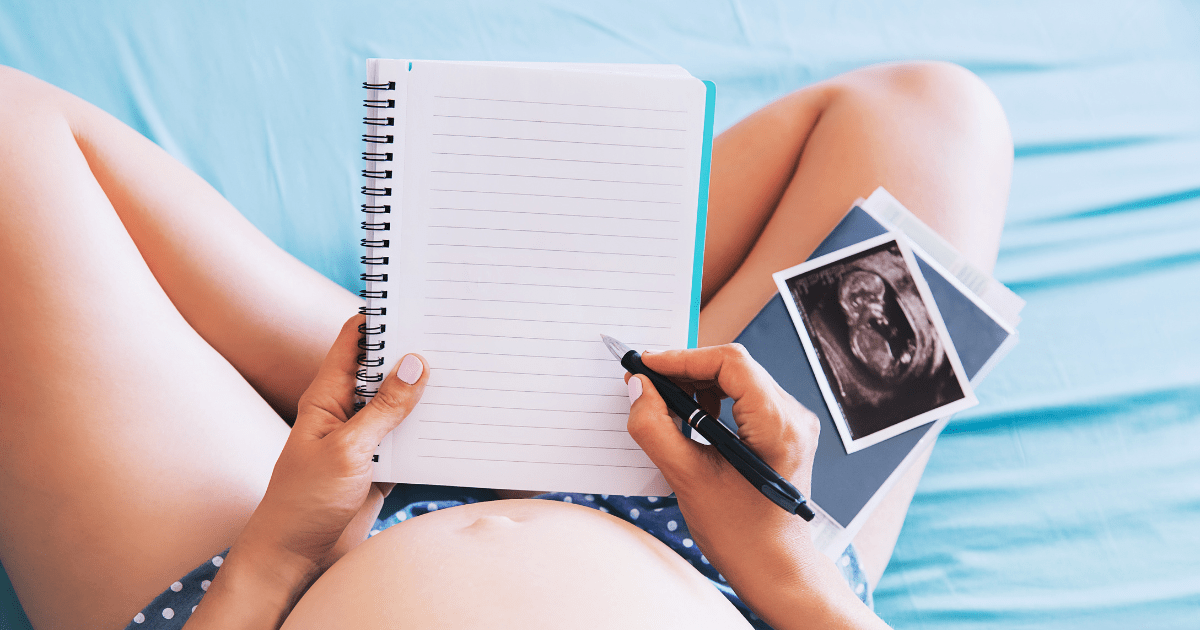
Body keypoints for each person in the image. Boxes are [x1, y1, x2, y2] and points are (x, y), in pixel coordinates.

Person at [0, 59, 1011, 630]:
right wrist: (780, 561)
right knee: (930, 114)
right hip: (720, 549)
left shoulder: (278, 557)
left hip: (276, 575)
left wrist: (277, 551)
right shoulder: (762, 550)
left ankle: (423, 351)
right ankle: (468, 354)